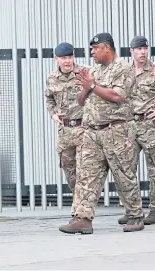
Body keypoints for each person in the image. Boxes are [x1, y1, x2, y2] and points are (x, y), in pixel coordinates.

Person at [59, 33, 144, 234]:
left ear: (107, 48)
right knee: (86, 175)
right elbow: (80, 101)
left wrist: (93, 85)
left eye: (95, 49)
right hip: (92, 132)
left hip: (117, 130)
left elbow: (117, 96)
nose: (92, 53)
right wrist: (84, 88)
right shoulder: (93, 70)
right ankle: (82, 218)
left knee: (123, 175)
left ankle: (135, 215)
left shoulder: (123, 68)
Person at [45, 42, 85, 217]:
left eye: (70, 57)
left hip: (84, 129)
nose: (67, 61)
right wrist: (53, 114)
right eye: (63, 58)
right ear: (57, 59)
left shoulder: (85, 73)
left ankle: (80, 212)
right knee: (70, 173)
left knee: (85, 171)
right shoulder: (52, 77)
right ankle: (81, 205)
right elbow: (49, 99)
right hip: (65, 132)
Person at [118, 36, 155, 226]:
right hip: (129, 126)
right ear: (131, 51)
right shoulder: (125, 72)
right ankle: (132, 210)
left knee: (154, 169)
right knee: (125, 168)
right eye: (138, 49)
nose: (142, 52)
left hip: (150, 126)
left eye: (145, 48)